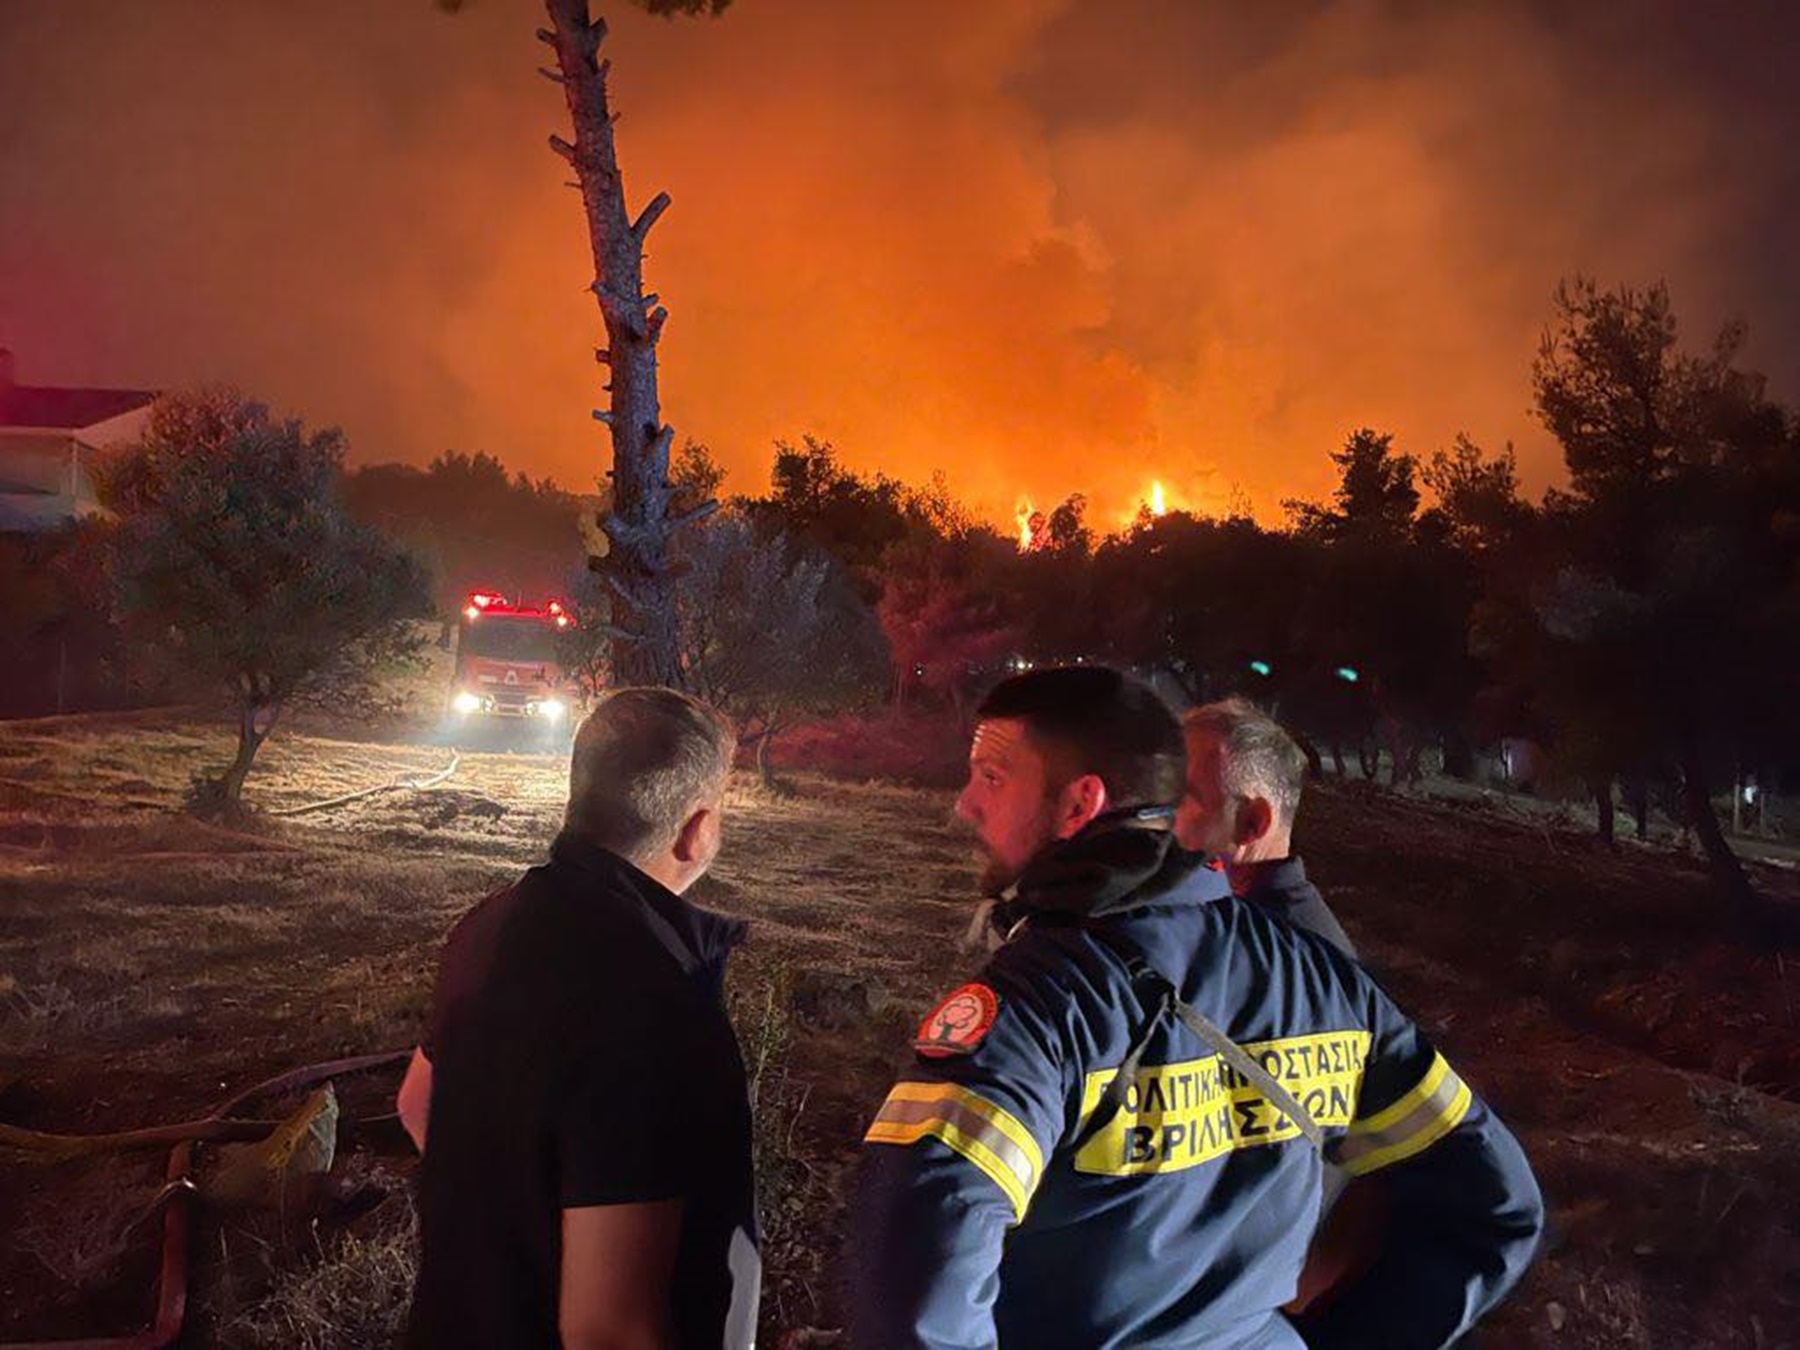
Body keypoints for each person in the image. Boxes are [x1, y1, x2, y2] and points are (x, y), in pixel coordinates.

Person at [850, 666, 1542, 1349]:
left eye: (991, 778)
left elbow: (921, 1279)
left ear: (1077, 805)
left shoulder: (1042, 1003)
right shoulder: (1325, 981)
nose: (964, 804)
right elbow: (1492, 1204)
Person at [402, 687, 758, 1350]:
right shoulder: (652, 997)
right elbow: (610, 1331)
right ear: (698, 827)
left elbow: (416, 1102)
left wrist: (516, 1219)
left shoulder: (488, 926)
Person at [1177, 695, 1356, 959]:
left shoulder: (1277, 955)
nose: (1155, 817)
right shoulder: (1234, 912)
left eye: (1179, 799)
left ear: (1253, 822)